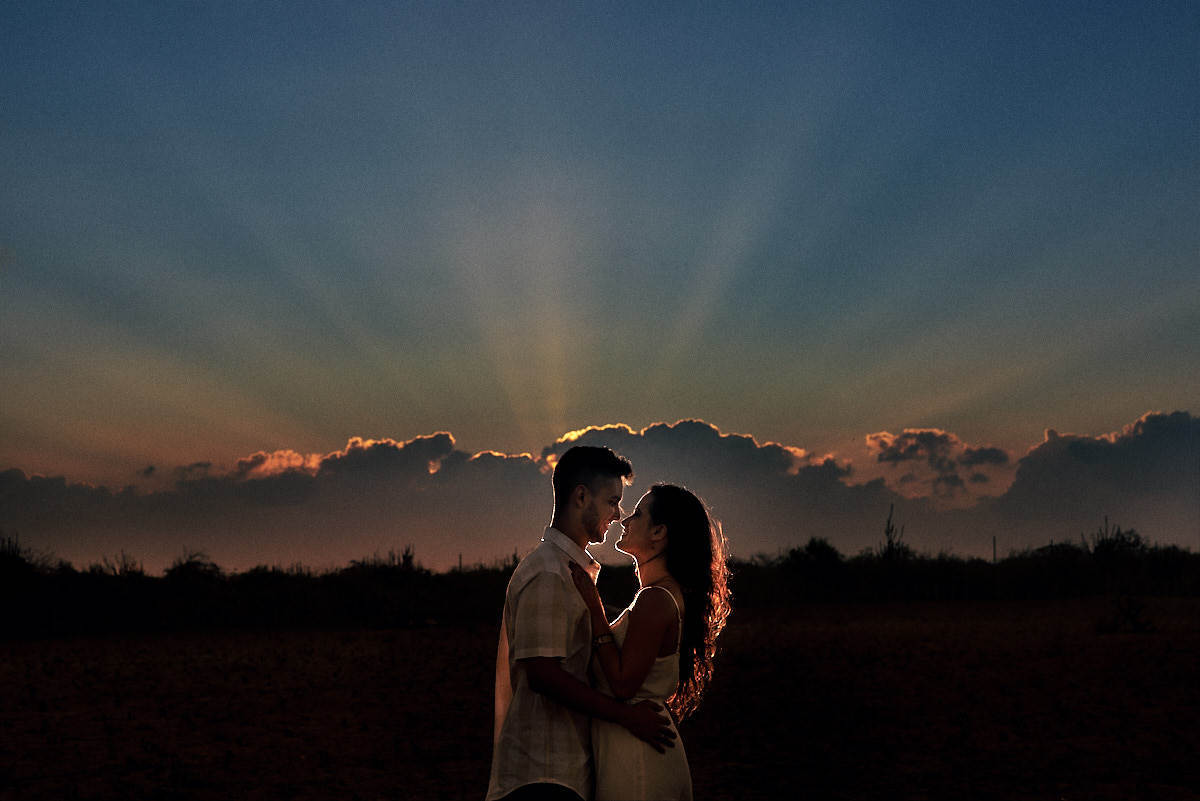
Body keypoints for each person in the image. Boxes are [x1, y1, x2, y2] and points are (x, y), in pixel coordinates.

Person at [486, 446, 677, 801]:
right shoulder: (548, 572)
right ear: (580, 496)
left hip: (562, 772)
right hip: (542, 774)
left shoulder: (568, 572)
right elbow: (542, 674)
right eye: (612, 502)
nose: (618, 515)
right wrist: (625, 716)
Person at [568, 483, 731, 801]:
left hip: (637, 762)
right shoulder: (657, 596)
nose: (624, 521)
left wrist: (593, 605)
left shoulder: (655, 598)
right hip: (634, 751)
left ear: (658, 532)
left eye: (637, 514)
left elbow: (623, 684)